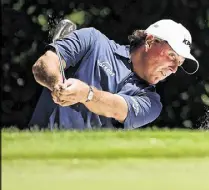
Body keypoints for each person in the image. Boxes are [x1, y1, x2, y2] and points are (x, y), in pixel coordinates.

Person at [29, 19, 199, 130]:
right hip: (36, 154)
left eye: (180, 62)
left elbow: (116, 109)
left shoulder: (151, 103)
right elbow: (44, 64)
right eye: (172, 56)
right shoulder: (92, 41)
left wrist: (86, 94)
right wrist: (57, 85)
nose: (175, 68)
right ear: (149, 41)